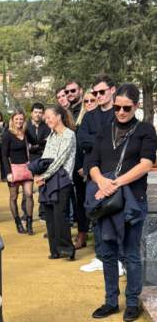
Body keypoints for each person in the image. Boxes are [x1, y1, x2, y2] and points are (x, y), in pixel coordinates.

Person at [87, 83, 157, 322]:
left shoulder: (145, 130)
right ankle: (110, 301)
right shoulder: (104, 130)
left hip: (132, 201)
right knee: (107, 253)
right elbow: (92, 163)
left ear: (136, 106)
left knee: (130, 254)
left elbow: (146, 164)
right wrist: (101, 182)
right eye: (117, 107)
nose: (121, 112)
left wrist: (115, 183)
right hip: (106, 201)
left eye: (126, 108)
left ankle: (132, 302)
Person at [77, 75, 121, 273]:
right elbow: (82, 139)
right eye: (95, 93)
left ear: (112, 90)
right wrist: (102, 140)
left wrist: (96, 141)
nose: (98, 96)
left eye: (101, 92)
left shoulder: (120, 112)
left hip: (115, 172)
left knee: (116, 214)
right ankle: (101, 257)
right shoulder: (89, 116)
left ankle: (118, 259)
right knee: (96, 214)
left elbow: (118, 139)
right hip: (94, 173)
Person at [34, 105, 77, 259]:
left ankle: (67, 249)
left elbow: (60, 160)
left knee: (60, 215)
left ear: (58, 116)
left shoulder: (69, 135)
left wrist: (43, 176)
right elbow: (45, 158)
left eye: (49, 117)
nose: (46, 120)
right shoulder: (51, 135)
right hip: (48, 179)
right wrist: (38, 172)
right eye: (45, 118)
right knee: (50, 217)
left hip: (62, 180)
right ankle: (55, 250)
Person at [72, 90, 98, 249]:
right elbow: (77, 146)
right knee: (80, 202)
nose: (89, 103)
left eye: (92, 100)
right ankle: (82, 234)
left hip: (95, 167)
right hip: (79, 167)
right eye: (86, 101)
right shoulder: (79, 123)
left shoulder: (102, 119)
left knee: (96, 202)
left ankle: (98, 237)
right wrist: (80, 166)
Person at [2, 109, 34, 235]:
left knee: (29, 195)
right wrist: (8, 173)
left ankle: (29, 224)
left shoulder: (26, 132)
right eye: (16, 119)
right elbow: (4, 155)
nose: (19, 121)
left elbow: (35, 142)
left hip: (26, 168)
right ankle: (18, 223)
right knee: (14, 197)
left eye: (21, 119)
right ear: (12, 120)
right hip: (13, 169)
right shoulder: (7, 134)